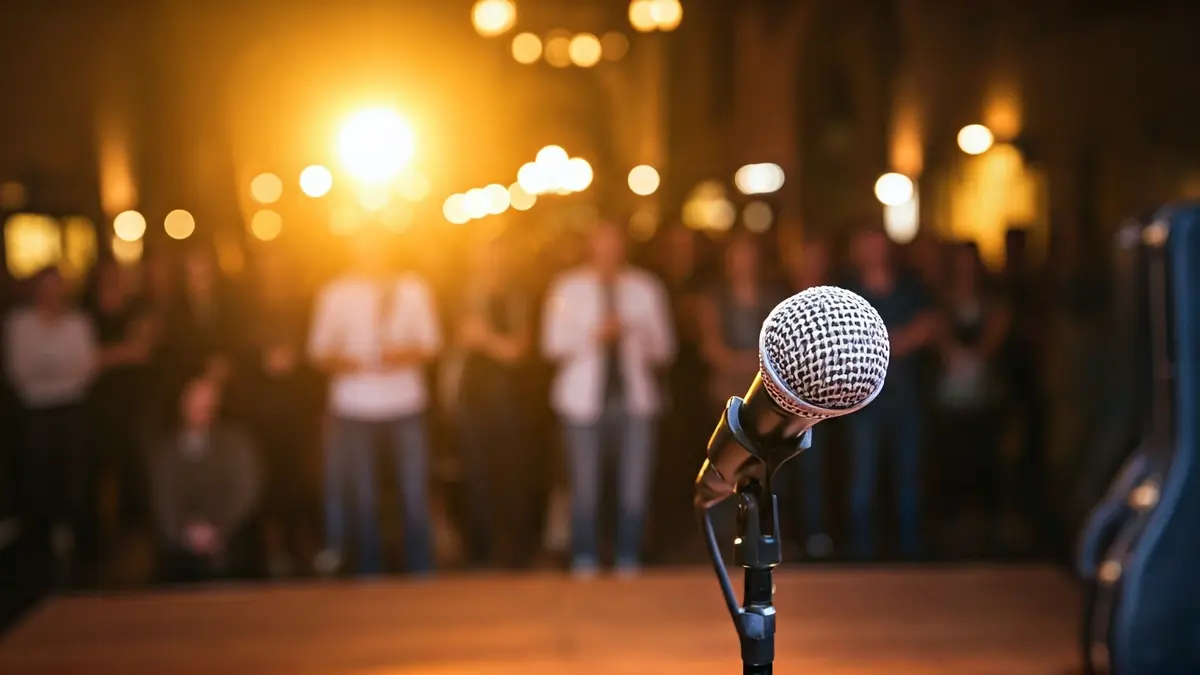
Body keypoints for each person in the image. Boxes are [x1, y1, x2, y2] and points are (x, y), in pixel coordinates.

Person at [542, 219, 676, 578]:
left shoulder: (646, 288)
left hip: (635, 402)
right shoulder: (567, 288)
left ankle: (627, 557)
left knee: (634, 488)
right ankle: (584, 557)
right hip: (581, 402)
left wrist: (635, 332)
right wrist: (595, 335)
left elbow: (665, 349)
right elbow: (551, 345)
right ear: (590, 245)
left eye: (614, 242)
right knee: (584, 487)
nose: (608, 250)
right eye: (600, 242)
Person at [309, 231, 440, 577]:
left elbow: (430, 344)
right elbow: (319, 351)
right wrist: (352, 362)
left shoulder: (413, 288)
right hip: (354, 406)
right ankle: (369, 573)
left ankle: (421, 571)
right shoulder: (335, 292)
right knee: (362, 495)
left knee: (414, 492)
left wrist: (401, 355)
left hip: (405, 403)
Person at [843, 225, 938, 560]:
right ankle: (862, 552)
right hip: (862, 403)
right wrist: (896, 341)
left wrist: (876, 343)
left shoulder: (912, 290)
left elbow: (927, 329)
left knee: (907, 479)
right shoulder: (846, 294)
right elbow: (845, 343)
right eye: (865, 244)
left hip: (906, 399)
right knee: (862, 483)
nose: (872, 251)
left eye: (877, 244)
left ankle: (909, 551)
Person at [4, 267, 97, 572]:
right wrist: (60, 370)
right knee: (37, 478)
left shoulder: (77, 322)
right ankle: (37, 547)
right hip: (34, 415)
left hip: (72, 412)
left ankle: (70, 539)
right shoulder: (19, 324)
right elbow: (20, 371)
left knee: (72, 476)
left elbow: (85, 368)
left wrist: (50, 371)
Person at [451, 236, 532, 568]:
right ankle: (482, 548)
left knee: (511, 473)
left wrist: (488, 340)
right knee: (477, 473)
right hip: (473, 399)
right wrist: (496, 344)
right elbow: (462, 338)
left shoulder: (518, 297)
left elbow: (517, 352)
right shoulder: (464, 295)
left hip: (511, 401)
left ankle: (514, 547)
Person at [242, 250, 320, 577]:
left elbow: (315, 350)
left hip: (296, 407)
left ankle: (302, 548)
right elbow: (242, 353)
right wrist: (264, 361)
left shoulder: (303, 307)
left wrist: (295, 359)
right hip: (263, 411)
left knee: (301, 478)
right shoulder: (249, 308)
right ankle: (271, 553)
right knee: (265, 479)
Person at [935, 242, 1010, 557]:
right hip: (950, 395)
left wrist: (977, 353)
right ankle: (953, 534)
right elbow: (937, 332)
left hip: (984, 394)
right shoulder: (942, 298)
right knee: (953, 460)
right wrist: (950, 349)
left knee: (985, 461)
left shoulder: (992, 301)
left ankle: (987, 535)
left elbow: (999, 330)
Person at [149, 377, 259, 582]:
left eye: (209, 401)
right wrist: (184, 532)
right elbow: (164, 498)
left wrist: (219, 528)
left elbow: (245, 490)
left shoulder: (237, 443)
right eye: (195, 399)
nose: (202, 407)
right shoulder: (165, 450)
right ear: (182, 402)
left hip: (228, 541)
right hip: (178, 549)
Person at [86, 260, 155, 547]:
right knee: (100, 467)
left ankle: (134, 529)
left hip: (134, 399)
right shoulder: (87, 313)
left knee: (135, 463)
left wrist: (106, 355)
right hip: (97, 403)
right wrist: (119, 352)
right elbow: (86, 361)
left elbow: (142, 351)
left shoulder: (136, 308)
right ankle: (100, 535)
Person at [780, 237, 834, 558]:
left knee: (815, 473)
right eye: (804, 258)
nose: (810, 265)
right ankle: (784, 538)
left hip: (823, 404)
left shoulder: (839, 302)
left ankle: (816, 535)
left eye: (816, 258)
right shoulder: (778, 298)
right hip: (783, 405)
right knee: (781, 473)